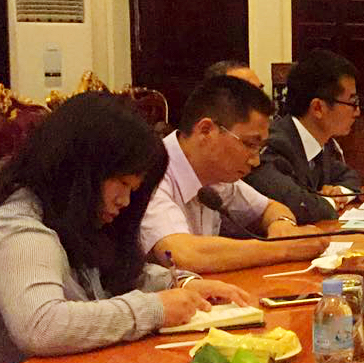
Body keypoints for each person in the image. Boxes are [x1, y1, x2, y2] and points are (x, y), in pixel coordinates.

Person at [0, 93, 253, 363]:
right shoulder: (23, 232)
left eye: (133, 189)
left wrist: (180, 284)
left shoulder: (63, 215)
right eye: (122, 183)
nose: (125, 201)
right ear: (81, 169)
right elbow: (41, 326)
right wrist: (153, 309)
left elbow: (107, 274)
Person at [139, 76, 327, 274]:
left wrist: (282, 224)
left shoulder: (215, 174)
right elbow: (181, 255)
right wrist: (285, 249)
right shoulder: (152, 171)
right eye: (250, 144)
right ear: (206, 131)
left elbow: (270, 208)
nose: (255, 161)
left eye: (259, 148)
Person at [245, 49, 364, 223]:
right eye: (352, 103)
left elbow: (351, 177)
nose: (357, 112)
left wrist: (340, 193)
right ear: (318, 108)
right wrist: (329, 202)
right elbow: (299, 206)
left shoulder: (322, 143)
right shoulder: (273, 145)